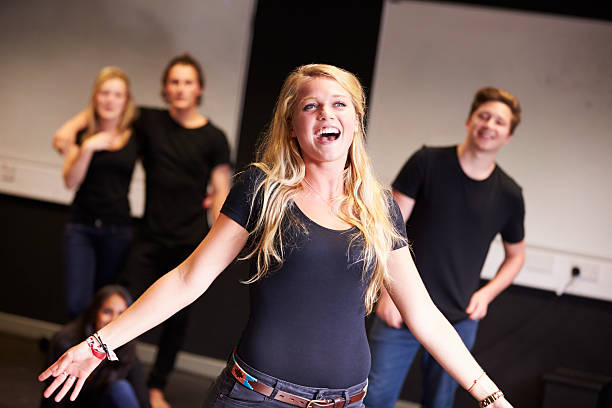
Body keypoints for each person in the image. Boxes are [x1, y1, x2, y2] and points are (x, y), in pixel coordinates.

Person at [40, 64, 512, 408]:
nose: (325, 113)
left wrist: (489, 396)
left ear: (354, 119)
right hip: (257, 399)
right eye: (311, 105)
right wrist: (98, 344)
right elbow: (188, 280)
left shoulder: (379, 206)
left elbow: (424, 314)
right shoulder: (261, 190)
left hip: (349, 403)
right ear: (293, 124)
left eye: (338, 104)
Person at [52, 53, 232, 408]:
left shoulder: (214, 137)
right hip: (148, 237)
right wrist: (71, 139)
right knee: (122, 308)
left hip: (190, 241)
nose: (180, 89)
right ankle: (107, 373)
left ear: (199, 89)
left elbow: (222, 190)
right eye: (175, 82)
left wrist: (218, 238)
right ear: (165, 88)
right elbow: (98, 115)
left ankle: (155, 386)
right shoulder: (150, 122)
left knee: (177, 320)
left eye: (188, 82)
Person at [365, 87, 526, 408]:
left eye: (499, 122)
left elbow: (516, 256)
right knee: (375, 399)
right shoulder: (427, 162)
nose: (489, 125)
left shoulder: (509, 194)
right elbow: (387, 229)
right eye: (484, 116)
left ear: (507, 136)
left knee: (439, 402)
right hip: (402, 309)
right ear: (470, 120)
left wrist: (486, 294)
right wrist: (387, 292)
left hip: (459, 318)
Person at [60, 66, 139, 319]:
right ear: (95, 97)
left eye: (117, 94)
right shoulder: (83, 136)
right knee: (77, 303)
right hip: (81, 227)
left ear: (126, 101)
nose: (110, 100)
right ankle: (70, 355)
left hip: (117, 230)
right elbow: (70, 181)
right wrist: (87, 148)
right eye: (105, 93)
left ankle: (97, 358)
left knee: (105, 307)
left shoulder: (136, 136)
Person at [41, 285, 150, 408]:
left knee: (121, 388)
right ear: (94, 313)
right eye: (107, 311)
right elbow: (54, 398)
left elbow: (142, 398)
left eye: (121, 314)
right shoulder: (66, 341)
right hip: (69, 404)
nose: (114, 320)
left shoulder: (127, 347)